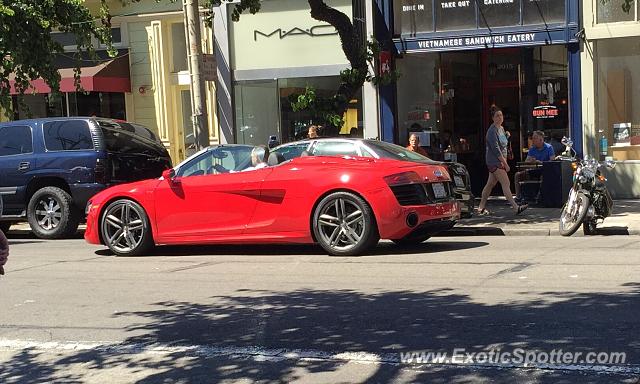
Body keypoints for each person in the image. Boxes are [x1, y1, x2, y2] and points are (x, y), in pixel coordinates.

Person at [477, 106, 528, 215]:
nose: (500, 118)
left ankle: (481, 207)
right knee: (506, 182)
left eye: (501, 115)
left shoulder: (501, 129)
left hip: (500, 160)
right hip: (495, 161)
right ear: (493, 118)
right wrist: (505, 164)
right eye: (497, 116)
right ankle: (515, 207)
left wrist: (506, 135)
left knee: (490, 184)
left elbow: (503, 144)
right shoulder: (492, 131)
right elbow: (496, 149)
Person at [514, 130, 556, 201]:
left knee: (544, 176)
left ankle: (540, 196)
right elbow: (526, 162)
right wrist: (531, 161)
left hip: (544, 171)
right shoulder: (532, 149)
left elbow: (552, 162)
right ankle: (518, 196)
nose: (532, 140)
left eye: (534, 138)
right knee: (517, 175)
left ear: (541, 139)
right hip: (533, 170)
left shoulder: (549, 148)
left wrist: (540, 162)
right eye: (532, 138)